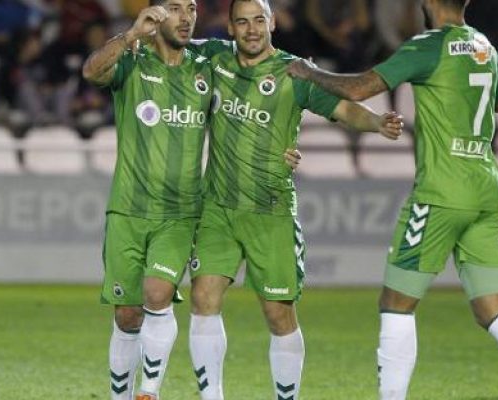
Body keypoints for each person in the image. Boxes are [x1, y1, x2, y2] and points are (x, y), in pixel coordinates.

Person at [287, 0, 498, 399]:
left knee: (396, 303)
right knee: (494, 309)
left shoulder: (429, 45)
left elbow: (362, 87)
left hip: (442, 190)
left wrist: (309, 72)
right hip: (486, 186)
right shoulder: (484, 45)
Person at [170, 1, 403, 399]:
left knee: (279, 315)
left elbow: (343, 108)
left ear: (273, 22)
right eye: (241, 22)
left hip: (271, 211)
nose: (251, 29)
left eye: (258, 20)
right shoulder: (214, 57)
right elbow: (171, 48)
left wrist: (377, 122)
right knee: (203, 296)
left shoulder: (294, 71)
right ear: (230, 26)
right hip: (218, 209)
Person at [82, 2, 300, 399]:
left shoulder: (207, 64)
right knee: (127, 315)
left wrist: (282, 146)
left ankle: (148, 391)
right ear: (155, 13)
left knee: (157, 293)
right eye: (175, 8)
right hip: (128, 208)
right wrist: (131, 34)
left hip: (181, 212)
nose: (185, 17)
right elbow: (91, 72)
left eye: (192, 9)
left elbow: (252, 92)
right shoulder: (133, 60)